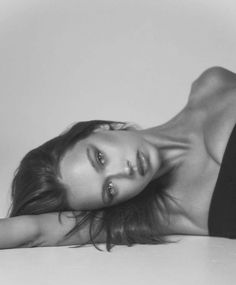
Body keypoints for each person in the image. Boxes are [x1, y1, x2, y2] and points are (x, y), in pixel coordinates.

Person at [1, 66, 236, 251]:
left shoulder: (211, 85)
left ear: (100, 129)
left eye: (100, 158)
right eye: (110, 189)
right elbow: (33, 231)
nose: (125, 171)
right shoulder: (168, 214)